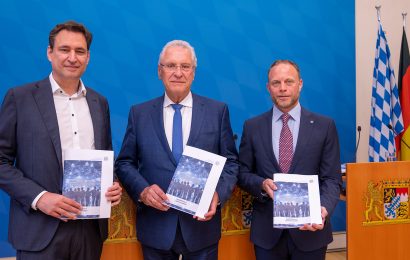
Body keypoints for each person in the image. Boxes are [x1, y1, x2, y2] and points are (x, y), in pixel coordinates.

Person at [0, 21, 122, 260]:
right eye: (64, 49)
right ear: (50, 53)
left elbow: (105, 155)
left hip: (89, 230)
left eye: (80, 51)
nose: (72, 58)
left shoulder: (99, 103)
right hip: (39, 229)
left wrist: (113, 183)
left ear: (88, 57)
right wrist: (40, 198)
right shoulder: (20, 98)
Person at [115, 40, 239, 260]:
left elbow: (231, 162)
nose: (178, 73)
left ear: (193, 72)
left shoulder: (217, 112)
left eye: (185, 66)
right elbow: (125, 163)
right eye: (171, 66)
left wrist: (218, 195)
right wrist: (142, 190)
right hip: (156, 228)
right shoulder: (139, 114)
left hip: (202, 230)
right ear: (159, 71)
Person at [237, 60, 341, 260]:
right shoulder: (252, 127)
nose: (282, 88)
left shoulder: (324, 126)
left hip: (311, 231)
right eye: (276, 83)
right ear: (268, 88)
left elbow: (332, 179)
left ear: (300, 84)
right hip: (267, 234)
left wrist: (323, 210)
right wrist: (261, 184)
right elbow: (242, 172)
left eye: (289, 81)